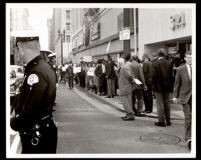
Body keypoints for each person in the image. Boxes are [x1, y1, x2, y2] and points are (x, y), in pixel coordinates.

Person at [10, 31, 57, 153]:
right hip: (43, 132)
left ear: (20, 48)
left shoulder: (36, 72)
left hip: (37, 137)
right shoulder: (43, 67)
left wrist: (13, 123)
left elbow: (30, 111)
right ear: (39, 46)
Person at [173, 50, 192, 150]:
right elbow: (177, 84)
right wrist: (175, 96)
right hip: (185, 97)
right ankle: (189, 139)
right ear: (185, 58)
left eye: (192, 57)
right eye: (189, 57)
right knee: (188, 118)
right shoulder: (180, 69)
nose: (191, 59)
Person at [152, 48, 173, 127]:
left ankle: (161, 121)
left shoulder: (155, 63)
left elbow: (153, 76)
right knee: (167, 103)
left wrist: (153, 86)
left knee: (160, 104)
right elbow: (172, 76)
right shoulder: (169, 63)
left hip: (158, 87)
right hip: (167, 87)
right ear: (164, 54)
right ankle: (168, 120)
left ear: (158, 54)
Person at [118, 54, 135, 121]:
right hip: (127, 86)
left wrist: (132, 80)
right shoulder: (128, 65)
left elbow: (130, 76)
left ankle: (130, 113)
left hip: (124, 86)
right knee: (129, 101)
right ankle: (128, 114)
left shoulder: (125, 67)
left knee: (125, 101)